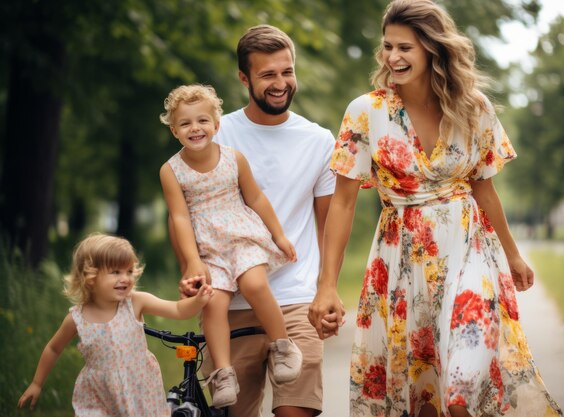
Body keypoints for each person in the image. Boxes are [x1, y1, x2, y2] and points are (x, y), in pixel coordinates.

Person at [308, 1, 563, 416]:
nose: (393, 57)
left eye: (405, 47)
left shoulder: (472, 107)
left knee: (463, 383)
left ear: (432, 48)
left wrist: (513, 254)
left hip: (469, 250)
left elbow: (485, 189)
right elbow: (343, 201)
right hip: (401, 262)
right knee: (422, 390)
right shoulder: (366, 112)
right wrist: (327, 284)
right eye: (387, 46)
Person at [176, 25, 336, 417]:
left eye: (287, 71)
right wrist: (191, 266)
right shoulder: (213, 133)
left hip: (296, 299)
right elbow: (184, 208)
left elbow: (329, 226)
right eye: (268, 75)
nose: (281, 83)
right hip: (229, 300)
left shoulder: (319, 141)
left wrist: (327, 289)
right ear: (244, 78)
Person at [159, 83, 303, 408]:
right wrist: (192, 261)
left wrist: (278, 235)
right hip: (208, 248)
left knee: (254, 284)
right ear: (174, 130)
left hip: (242, 237)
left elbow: (255, 198)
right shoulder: (171, 171)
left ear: (216, 124)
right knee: (213, 303)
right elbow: (180, 219)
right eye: (185, 123)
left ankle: (282, 345)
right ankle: (222, 372)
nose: (195, 128)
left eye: (202, 121)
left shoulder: (233, 158)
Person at [17, 233, 212, 415]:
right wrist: (37, 383)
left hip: (139, 387)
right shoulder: (77, 318)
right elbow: (53, 348)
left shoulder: (135, 302)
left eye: (129, 271)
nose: (125, 278)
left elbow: (178, 310)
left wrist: (198, 301)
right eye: (116, 272)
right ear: (90, 276)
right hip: (97, 394)